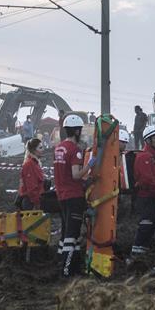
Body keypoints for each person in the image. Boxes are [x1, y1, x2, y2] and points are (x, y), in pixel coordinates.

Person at [53, 114, 93, 276]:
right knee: (72, 233)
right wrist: (90, 166)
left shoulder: (59, 148)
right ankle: (67, 269)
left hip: (61, 195)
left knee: (67, 233)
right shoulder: (74, 150)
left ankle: (70, 266)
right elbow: (76, 175)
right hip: (74, 195)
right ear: (77, 130)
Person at [132, 125, 155, 256]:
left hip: (153, 198)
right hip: (146, 198)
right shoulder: (144, 157)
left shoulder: (153, 157)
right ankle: (136, 257)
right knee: (146, 227)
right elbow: (147, 180)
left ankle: (142, 256)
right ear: (148, 140)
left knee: (150, 227)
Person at [18, 138, 46, 210]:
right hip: (31, 203)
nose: (43, 150)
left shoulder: (35, 163)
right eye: (40, 148)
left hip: (33, 200)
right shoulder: (30, 164)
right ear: (34, 150)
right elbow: (31, 188)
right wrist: (36, 204)